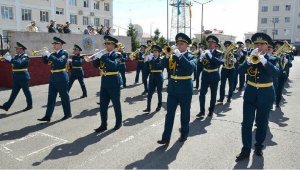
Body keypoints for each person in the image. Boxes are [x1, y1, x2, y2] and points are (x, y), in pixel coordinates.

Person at [236, 32, 279, 161]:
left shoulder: (273, 59)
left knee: (262, 122)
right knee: (246, 123)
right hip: (250, 93)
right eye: (257, 44)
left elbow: (277, 73)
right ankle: (246, 149)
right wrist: (248, 62)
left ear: (267, 46)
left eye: (262, 44)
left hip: (266, 94)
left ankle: (259, 146)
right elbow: (240, 71)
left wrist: (265, 61)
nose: (259, 46)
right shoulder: (251, 57)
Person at [157, 33, 195, 145]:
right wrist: (166, 57)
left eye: (181, 44)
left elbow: (190, 68)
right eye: (177, 43)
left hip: (185, 90)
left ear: (187, 45)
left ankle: (184, 134)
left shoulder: (192, 56)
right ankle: (166, 138)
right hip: (173, 89)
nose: (178, 46)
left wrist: (180, 56)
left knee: (185, 114)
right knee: (169, 114)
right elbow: (160, 66)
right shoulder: (172, 56)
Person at [93, 35, 123, 133]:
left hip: (114, 81)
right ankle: (103, 124)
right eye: (105, 43)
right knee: (103, 105)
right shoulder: (104, 55)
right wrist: (96, 58)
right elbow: (95, 66)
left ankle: (118, 122)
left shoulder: (118, 55)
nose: (106, 45)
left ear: (113, 45)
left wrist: (102, 57)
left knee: (116, 104)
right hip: (104, 82)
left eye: (108, 43)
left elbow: (114, 66)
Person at [38, 37, 72, 122]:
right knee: (51, 98)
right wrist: (44, 56)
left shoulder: (64, 53)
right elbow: (47, 62)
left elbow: (59, 62)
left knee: (64, 97)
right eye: (53, 44)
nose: (54, 45)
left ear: (60, 45)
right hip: (53, 77)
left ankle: (67, 113)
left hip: (61, 77)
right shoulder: (53, 54)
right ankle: (48, 116)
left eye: (55, 44)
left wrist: (49, 55)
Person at [0, 42, 33, 112]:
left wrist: (11, 59)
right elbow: (13, 63)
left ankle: (30, 105)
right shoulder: (16, 56)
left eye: (17, 49)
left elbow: (19, 63)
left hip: (23, 77)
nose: (16, 50)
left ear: (21, 49)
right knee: (13, 93)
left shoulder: (25, 57)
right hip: (16, 77)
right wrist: (6, 59)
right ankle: (6, 106)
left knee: (26, 92)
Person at [197, 35, 223, 118]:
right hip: (205, 75)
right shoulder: (205, 52)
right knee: (202, 94)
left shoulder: (219, 53)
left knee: (213, 95)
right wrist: (200, 59)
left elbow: (219, 63)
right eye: (209, 42)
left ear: (216, 44)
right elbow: (200, 64)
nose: (210, 44)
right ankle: (202, 111)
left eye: (212, 42)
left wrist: (210, 56)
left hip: (214, 75)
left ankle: (211, 110)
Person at [143, 45, 166, 113]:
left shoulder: (161, 59)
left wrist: (150, 60)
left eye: (156, 52)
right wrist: (145, 58)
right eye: (153, 52)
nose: (154, 53)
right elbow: (146, 67)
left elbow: (158, 66)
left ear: (159, 53)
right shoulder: (150, 59)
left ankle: (159, 106)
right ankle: (148, 107)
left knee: (159, 92)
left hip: (159, 77)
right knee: (149, 93)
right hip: (152, 77)